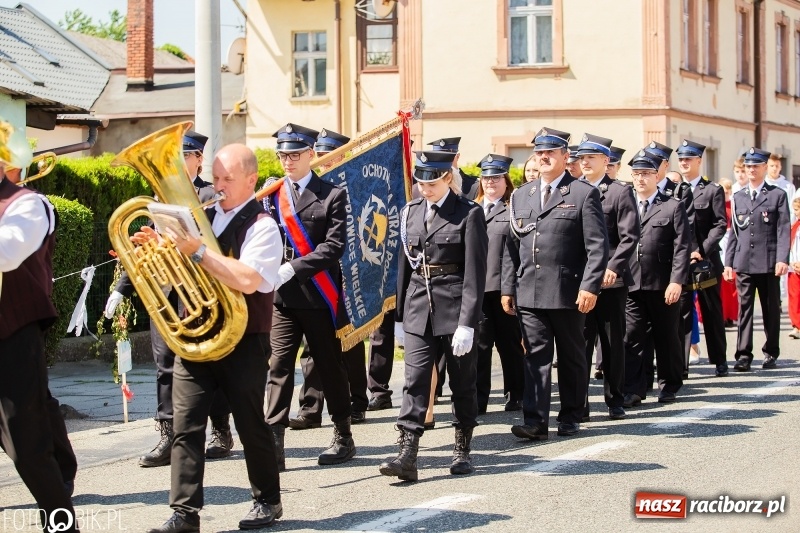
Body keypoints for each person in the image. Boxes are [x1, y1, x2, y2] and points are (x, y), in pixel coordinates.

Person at [145, 144, 284, 532]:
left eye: (228, 179)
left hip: (244, 340)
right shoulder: (198, 218)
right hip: (196, 336)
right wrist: (156, 254)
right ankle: (185, 513)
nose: (217, 186)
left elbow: (247, 279)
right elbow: (175, 278)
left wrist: (199, 251)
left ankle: (267, 501)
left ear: (251, 180)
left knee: (249, 422)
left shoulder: (263, 226)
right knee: (186, 424)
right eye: (216, 177)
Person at [105, 131, 235, 467]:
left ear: (198, 160)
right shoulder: (156, 201)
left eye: (185, 154)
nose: (178, 162)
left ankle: (220, 428)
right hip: (166, 292)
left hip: (203, 292)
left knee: (213, 364)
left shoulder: (213, 195)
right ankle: (168, 435)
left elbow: (221, 246)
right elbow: (150, 250)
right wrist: (122, 287)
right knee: (164, 367)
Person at [380, 149, 488, 481]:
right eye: (420, 182)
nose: (424, 189)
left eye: (431, 183)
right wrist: (399, 317)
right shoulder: (410, 212)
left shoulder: (468, 214)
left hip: (454, 308)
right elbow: (403, 267)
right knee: (414, 380)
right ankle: (407, 454)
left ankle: (462, 449)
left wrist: (467, 323)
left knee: (462, 381)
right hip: (417, 306)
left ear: (447, 178)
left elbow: (475, 272)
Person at [502, 127, 608, 440]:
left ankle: (571, 414)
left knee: (572, 355)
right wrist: (509, 288)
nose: (544, 157)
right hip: (530, 289)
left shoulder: (582, 193)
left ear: (565, 156)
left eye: (551, 152)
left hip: (567, 290)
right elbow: (513, 247)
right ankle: (535, 421)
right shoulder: (522, 195)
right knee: (535, 355)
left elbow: (596, 246)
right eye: (540, 152)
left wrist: (590, 286)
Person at [263, 123, 356, 469]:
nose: (287, 161)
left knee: (329, 367)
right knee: (279, 367)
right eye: (283, 155)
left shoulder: (331, 194)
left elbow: (334, 247)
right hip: (283, 300)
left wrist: (295, 267)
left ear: (311, 155)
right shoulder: (271, 195)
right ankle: (274, 441)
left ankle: (343, 434)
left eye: (294, 154)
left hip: (319, 297)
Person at [0, 138, 79, 532]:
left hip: (12, 335)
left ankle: (62, 525)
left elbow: (8, 252)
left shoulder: (28, 204)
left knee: (27, 447)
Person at [290, 128, 370, 429]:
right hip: (314, 273)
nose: (325, 161)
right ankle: (311, 406)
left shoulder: (348, 182)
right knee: (314, 347)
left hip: (350, 270)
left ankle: (356, 400)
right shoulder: (304, 187)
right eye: (321, 155)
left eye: (329, 155)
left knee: (347, 340)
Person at [577, 134, 638, 421]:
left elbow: (629, 237)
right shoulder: (573, 190)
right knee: (580, 343)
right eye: (581, 157)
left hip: (611, 282)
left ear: (606, 161)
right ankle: (579, 404)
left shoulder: (618, 192)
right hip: (580, 280)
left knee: (612, 342)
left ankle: (615, 399)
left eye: (591, 157)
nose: (585, 162)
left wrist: (613, 266)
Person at [622, 150, 690, 407]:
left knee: (667, 336)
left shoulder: (672, 206)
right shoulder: (626, 205)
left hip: (663, 283)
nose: (641, 179)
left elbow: (681, 247)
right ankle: (634, 388)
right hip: (632, 282)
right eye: (636, 174)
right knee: (632, 337)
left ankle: (669, 384)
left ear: (657, 175)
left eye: (646, 174)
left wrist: (676, 281)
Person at [725, 148, 790, 371]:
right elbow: (734, 231)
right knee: (745, 310)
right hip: (744, 261)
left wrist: (782, 258)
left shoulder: (776, 195)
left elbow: (783, 230)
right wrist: (728, 262)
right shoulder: (738, 197)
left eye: (755, 166)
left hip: (769, 261)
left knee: (770, 309)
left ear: (764, 167)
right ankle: (743, 355)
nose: (751, 170)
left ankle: (770, 352)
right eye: (748, 166)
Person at [474, 154, 524, 413]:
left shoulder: (513, 208)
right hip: (477, 290)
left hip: (503, 290)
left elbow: (513, 254)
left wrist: (509, 289)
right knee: (480, 347)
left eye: (496, 177)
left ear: (506, 180)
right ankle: (479, 398)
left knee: (509, 345)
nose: (491, 182)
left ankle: (516, 393)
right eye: (486, 177)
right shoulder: (472, 209)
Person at [677, 140, 728, 377]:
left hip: (705, 262)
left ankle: (719, 360)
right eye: (681, 160)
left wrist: (701, 250)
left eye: (688, 159)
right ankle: (683, 363)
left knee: (711, 310)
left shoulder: (711, 190)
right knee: (683, 312)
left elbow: (719, 225)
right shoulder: (674, 190)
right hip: (681, 262)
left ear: (699, 161)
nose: (684, 163)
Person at [718, 178, 739, 327]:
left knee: (731, 282)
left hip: (730, 239)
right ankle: (722, 314)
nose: (726, 194)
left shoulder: (733, 205)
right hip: (719, 240)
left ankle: (731, 314)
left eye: (728, 191)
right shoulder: (716, 204)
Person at [788, 198, 800, 339]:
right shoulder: (794, 226)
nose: (796, 212)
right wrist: (792, 262)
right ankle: (796, 325)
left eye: (797, 209)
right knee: (794, 296)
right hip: (794, 266)